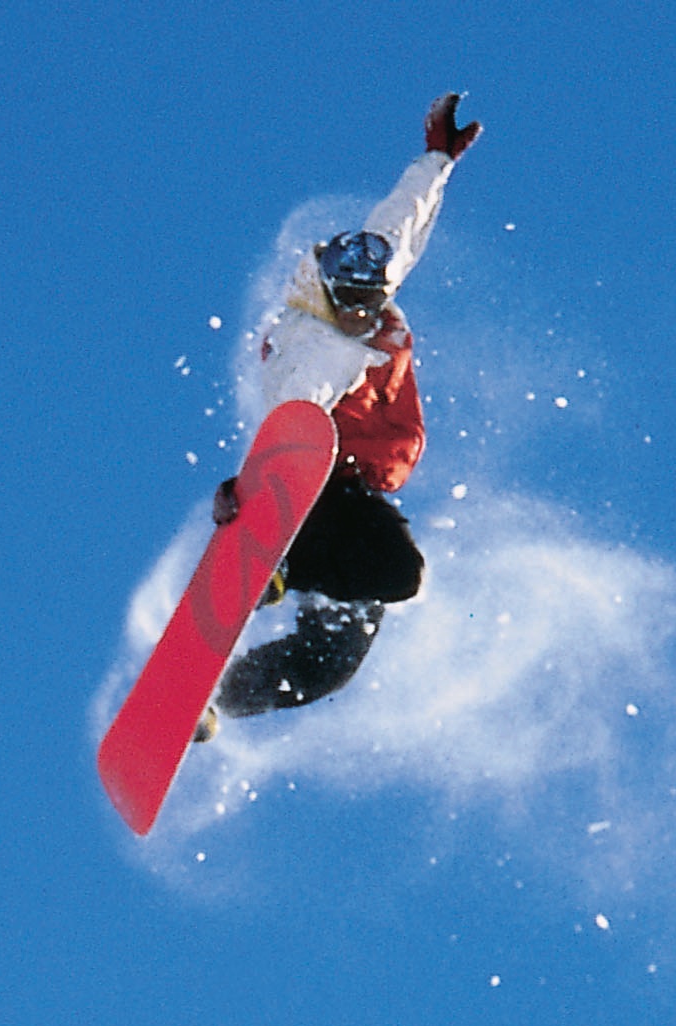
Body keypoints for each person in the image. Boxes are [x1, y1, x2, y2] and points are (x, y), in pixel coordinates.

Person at [199, 93, 481, 738]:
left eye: (371, 301)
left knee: (329, 665)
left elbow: (404, 223)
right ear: (328, 296)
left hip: (356, 496)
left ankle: (214, 699)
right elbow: (291, 416)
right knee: (399, 574)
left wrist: (437, 157)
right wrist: (248, 504)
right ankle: (288, 563)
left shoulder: (371, 281)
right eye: (353, 307)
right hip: (317, 491)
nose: (367, 317)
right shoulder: (315, 348)